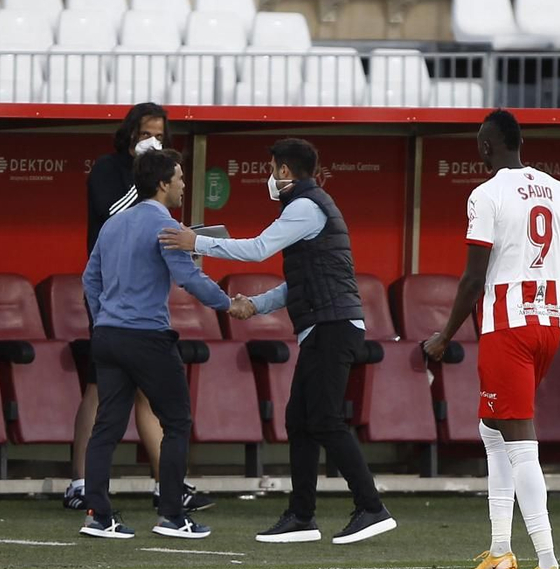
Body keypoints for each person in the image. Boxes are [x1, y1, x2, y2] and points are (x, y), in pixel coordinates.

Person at [161, 138, 398, 546]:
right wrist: (255, 305)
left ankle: (371, 507)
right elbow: (299, 283)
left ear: (285, 171)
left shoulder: (305, 207)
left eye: (272, 168)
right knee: (300, 422)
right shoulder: (312, 205)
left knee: (322, 420)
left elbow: (256, 250)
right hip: (326, 324)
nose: (270, 177)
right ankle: (302, 516)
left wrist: (195, 243)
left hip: (332, 325)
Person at [421, 111, 560, 569]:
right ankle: (501, 550)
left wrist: (443, 336)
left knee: (520, 443)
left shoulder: (486, 194)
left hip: (508, 327)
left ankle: (547, 559)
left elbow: (473, 277)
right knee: (492, 430)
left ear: (485, 146)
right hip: (550, 326)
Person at [64, 102, 213, 515]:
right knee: (100, 393)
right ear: (130, 134)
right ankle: (79, 482)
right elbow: (113, 212)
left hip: (137, 306)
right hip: (113, 300)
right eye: (146, 133)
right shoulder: (109, 170)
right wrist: (145, 178)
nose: (152, 141)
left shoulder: (158, 191)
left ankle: (166, 484)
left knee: (148, 396)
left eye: (160, 135)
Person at [80, 149, 234, 540]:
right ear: (163, 184)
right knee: (177, 422)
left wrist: (103, 320)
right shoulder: (166, 226)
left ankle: (97, 515)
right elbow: (189, 278)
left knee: (106, 428)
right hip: (146, 337)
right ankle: (171, 515)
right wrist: (229, 303)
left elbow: (89, 279)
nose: (184, 184)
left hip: (108, 336)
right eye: (180, 178)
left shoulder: (113, 224)